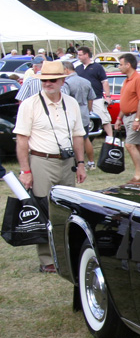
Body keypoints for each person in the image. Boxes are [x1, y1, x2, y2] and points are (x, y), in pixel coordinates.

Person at [13, 60, 88, 272]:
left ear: (62, 81)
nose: (48, 83)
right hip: (40, 161)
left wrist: (81, 164)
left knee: (67, 210)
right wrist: (26, 171)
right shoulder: (30, 104)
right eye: (44, 80)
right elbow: (21, 140)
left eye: (52, 80)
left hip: (67, 163)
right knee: (43, 211)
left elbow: (78, 136)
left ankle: (66, 255)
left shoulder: (71, 103)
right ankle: (47, 260)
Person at [114, 53, 140, 182]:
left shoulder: (138, 79)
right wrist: (119, 118)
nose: (119, 67)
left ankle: (139, 174)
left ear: (128, 65)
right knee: (137, 145)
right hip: (127, 116)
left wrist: (137, 119)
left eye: (121, 64)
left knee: (129, 145)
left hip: (136, 116)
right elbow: (125, 101)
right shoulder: (126, 80)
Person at [60, 62, 96, 167]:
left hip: (72, 113)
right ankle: (91, 162)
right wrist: (89, 111)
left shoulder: (66, 83)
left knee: (72, 138)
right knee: (85, 138)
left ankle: (76, 162)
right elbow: (91, 98)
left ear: (66, 69)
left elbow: (65, 99)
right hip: (84, 112)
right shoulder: (86, 81)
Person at [75, 47, 112, 144]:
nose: (78, 57)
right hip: (83, 101)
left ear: (86, 55)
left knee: (104, 120)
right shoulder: (78, 69)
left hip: (97, 99)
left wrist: (107, 96)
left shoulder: (97, 67)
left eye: (80, 54)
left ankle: (111, 141)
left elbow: (105, 82)